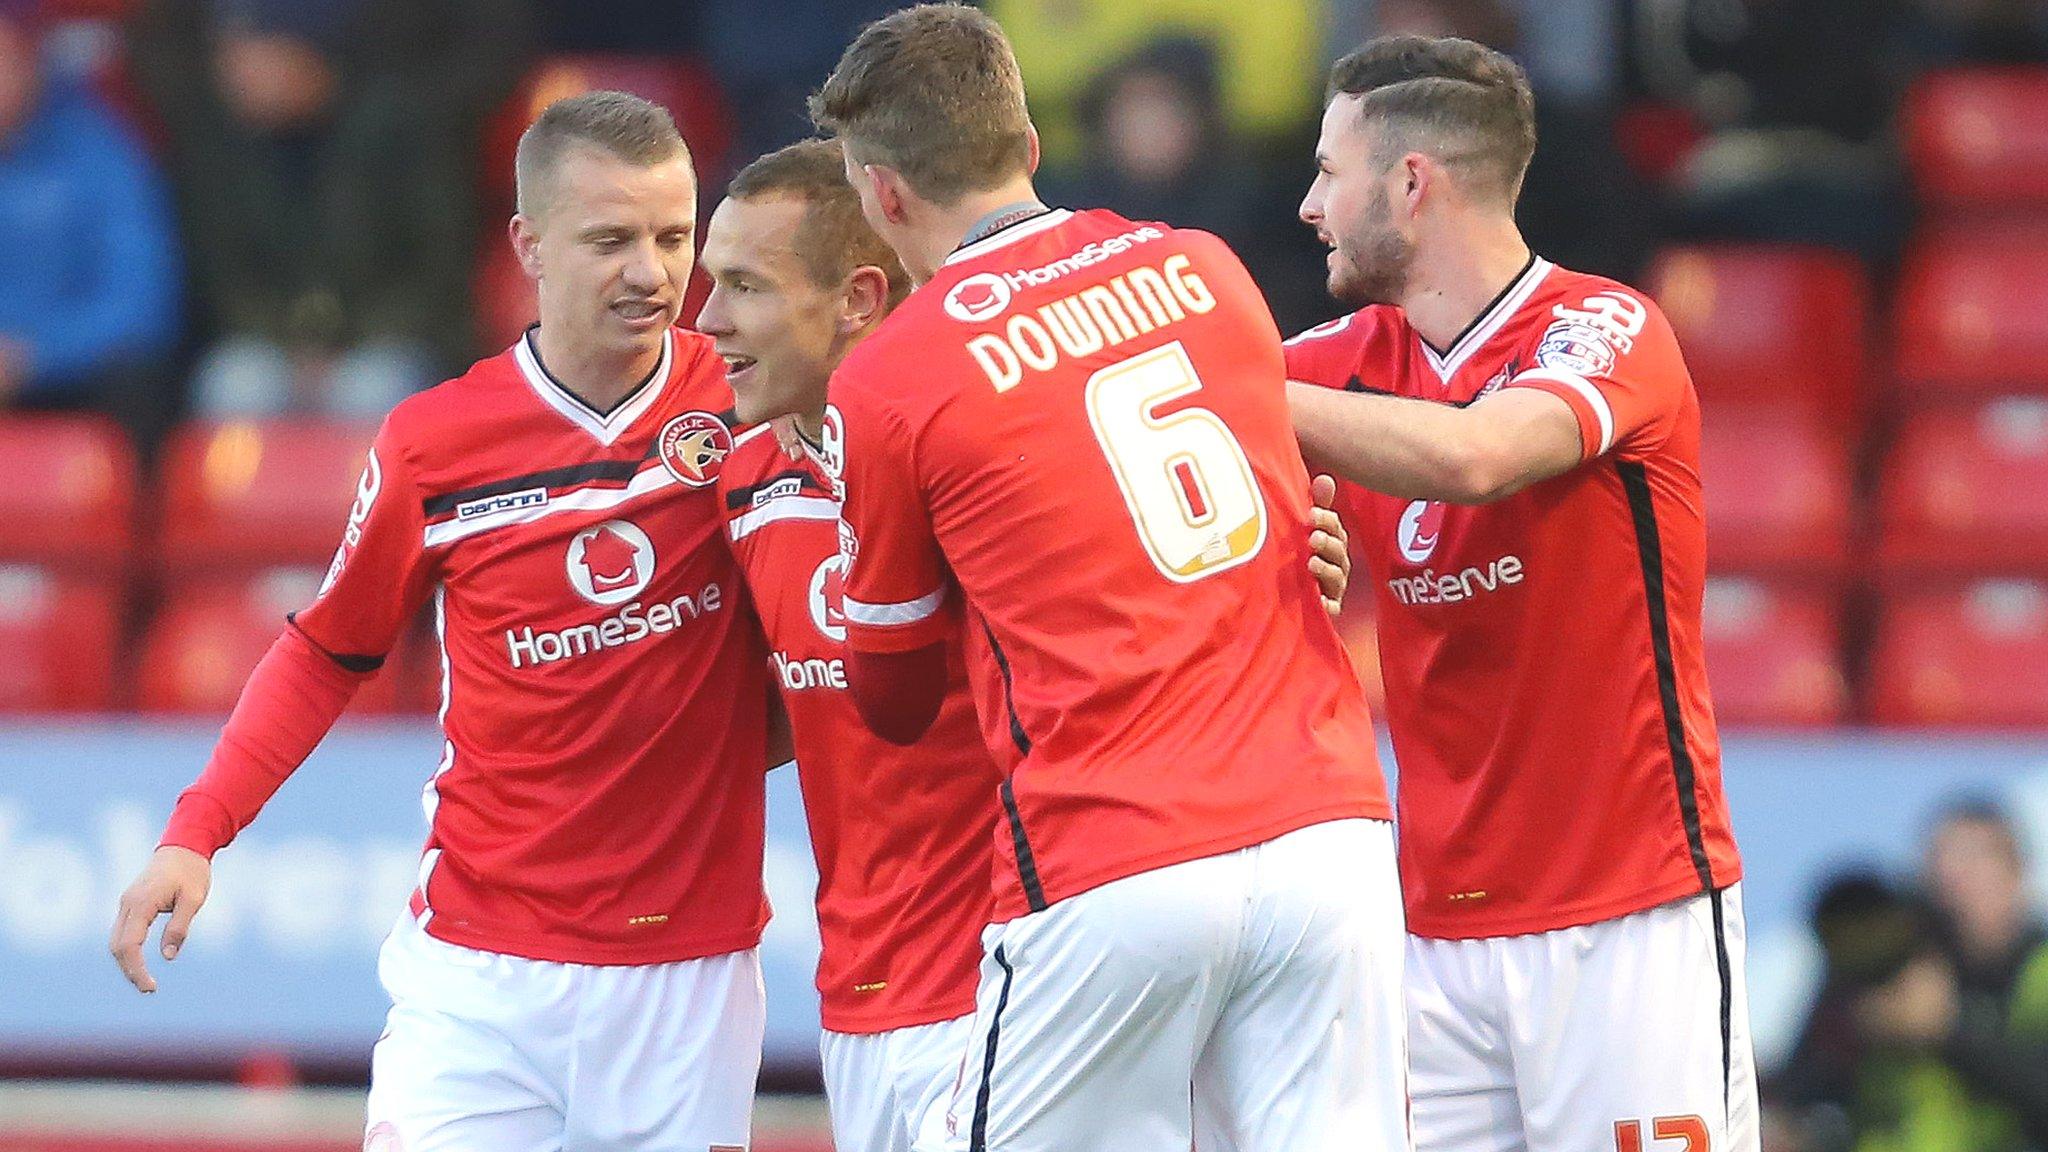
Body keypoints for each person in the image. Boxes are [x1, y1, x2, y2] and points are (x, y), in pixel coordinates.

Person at [110, 91, 773, 1152]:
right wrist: (197, 833)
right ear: (528, 244)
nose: (651, 273)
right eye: (609, 240)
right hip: (479, 973)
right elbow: (327, 650)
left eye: (672, 236)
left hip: (685, 979)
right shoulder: (436, 443)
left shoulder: (745, 402)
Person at [809, 7, 1406, 1151]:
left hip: (1112, 856)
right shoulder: (1206, 269)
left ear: (881, 197)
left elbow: (887, 696)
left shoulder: (892, 377)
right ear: (1027, 142)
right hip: (1325, 831)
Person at [1283, 34, 1756, 1152]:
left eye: (1327, 173)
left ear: (1410, 182)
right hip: (1431, 939)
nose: (1307, 206)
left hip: (1629, 923)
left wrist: (1233, 385)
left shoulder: (1605, 329)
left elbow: (1473, 458)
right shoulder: (1339, 358)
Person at [0, 0, 182, 441]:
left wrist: (33, 356)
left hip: (67, 379)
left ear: (32, 59)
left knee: (140, 384)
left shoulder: (101, 151)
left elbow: (142, 302)